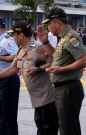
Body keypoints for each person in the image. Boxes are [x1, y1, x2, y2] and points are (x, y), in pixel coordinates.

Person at [0, 21, 59, 135]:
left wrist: (38, 69)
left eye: (14, 34)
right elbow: (13, 68)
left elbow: (53, 62)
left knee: (48, 129)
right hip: (37, 100)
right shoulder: (21, 50)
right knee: (41, 128)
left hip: (47, 98)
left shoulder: (39, 47)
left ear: (21, 35)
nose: (13, 37)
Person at [37, 7, 86, 135]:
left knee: (68, 129)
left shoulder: (71, 37)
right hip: (62, 89)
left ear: (57, 22)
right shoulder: (62, 38)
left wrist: (62, 69)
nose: (48, 28)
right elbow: (56, 56)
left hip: (68, 88)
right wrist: (46, 42)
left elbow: (84, 59)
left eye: (49, 24)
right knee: (65, 127)